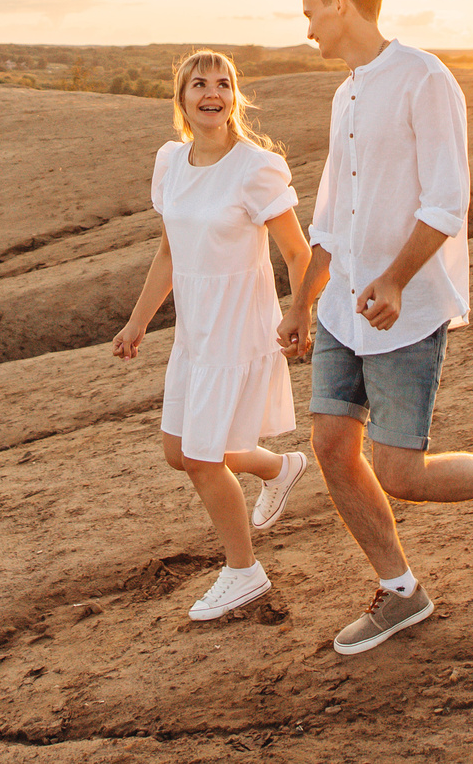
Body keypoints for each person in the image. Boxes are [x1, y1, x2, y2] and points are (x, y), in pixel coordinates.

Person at [281, 0, 473, 655]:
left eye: (311, 8)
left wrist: (398, 278)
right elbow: (331, 217)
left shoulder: (424, 77)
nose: (306, 24)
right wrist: (300, 303)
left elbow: (446, 199)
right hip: (345, 308)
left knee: (400, 472)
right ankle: (400, 590)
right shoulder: (345, 95)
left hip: (402, 305)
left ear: (341, 4)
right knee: (332, 446)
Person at [113, 49, 329, 621]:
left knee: (204, 458)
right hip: (196, 332)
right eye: (200, 84)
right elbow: (167, 252)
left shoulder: (255, 166)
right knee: (178, 453)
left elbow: (296, 251)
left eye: (224, 83)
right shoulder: (171, 162)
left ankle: (243, 572)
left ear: (235, 97)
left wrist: (299, 311)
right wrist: (137, 323)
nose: (213, 93)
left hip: (238, 328)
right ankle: (277, 468)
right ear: (182, 98)